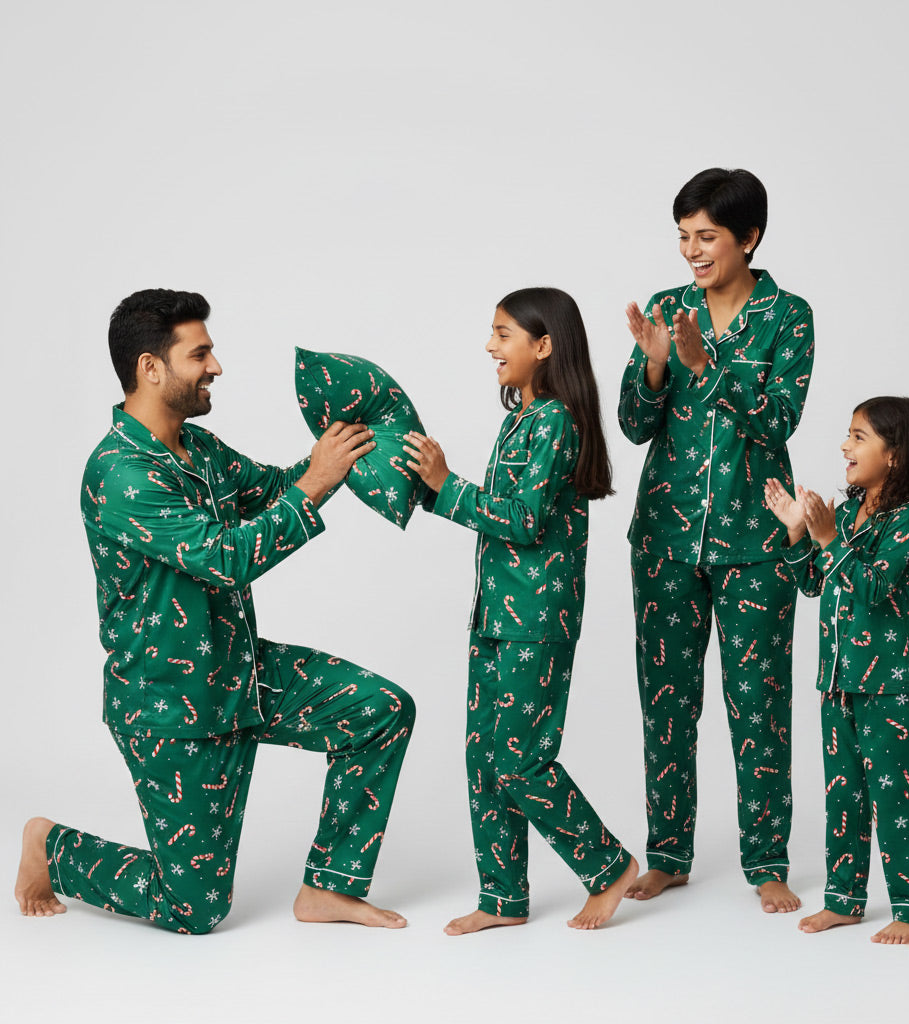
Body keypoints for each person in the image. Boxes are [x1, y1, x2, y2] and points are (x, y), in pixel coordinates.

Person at [14, 289, 415, 933]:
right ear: (151, 367)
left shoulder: (198, 450)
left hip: (243, 676)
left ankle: (329, 889)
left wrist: (355, 452)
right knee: (195, 910)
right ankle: (52, 849)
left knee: (381, 711)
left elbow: (277, 489)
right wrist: (315, 484)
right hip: (172, 708)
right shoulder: (119, 472)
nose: (216, 366)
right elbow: (227, 557)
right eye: (199, 353)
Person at [403, 287, 638, 933]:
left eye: (503, 334)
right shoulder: (521, 419)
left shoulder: (558, 420)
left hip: (537, 619)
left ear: (544, 345)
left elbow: (526, 521)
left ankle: (608, 865)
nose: (490, 345)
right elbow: (494, 511)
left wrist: (446, 486)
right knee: (485, 757)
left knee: (519, 758)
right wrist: (423, 488)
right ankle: (502, 897)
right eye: (493, 332)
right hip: (498, 614)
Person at [619, 168, 813, 912]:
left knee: (758, 702)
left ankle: (765, 860)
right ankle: (668, 853)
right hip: (665, 541)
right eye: (683, 238)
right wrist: (659, 362)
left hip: (758, 544)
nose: (691, 252)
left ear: (749, 238)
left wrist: (712, 365)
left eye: (706, 238)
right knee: (666, 701)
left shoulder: (789, 317)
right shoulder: (668, 308)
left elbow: (778, 420)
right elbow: (636, 425)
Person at [765, 396, 909, 944]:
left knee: (897, 796)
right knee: (844, 795)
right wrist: (799, 532)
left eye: (858, 436)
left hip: (891, 685)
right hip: (838, 681)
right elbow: (813, 584)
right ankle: (845, 900)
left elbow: (874, 589)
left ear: (895, 455)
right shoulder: (846, 513)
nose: (844, 446)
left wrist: (826, 538)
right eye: (847, 435)